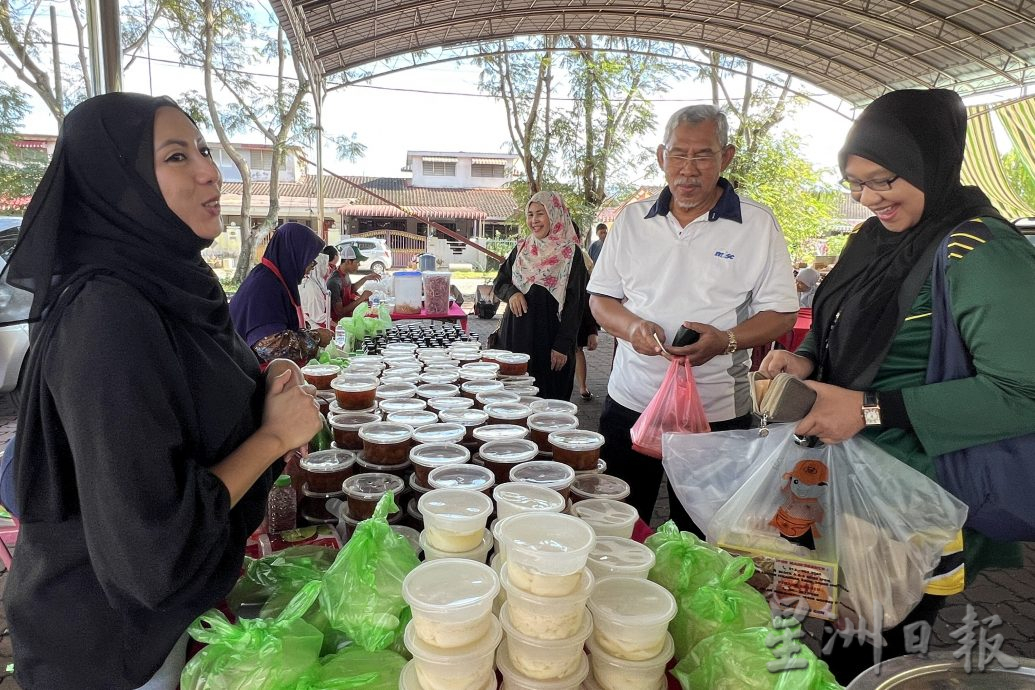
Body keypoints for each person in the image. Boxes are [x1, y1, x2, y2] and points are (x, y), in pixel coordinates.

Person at [1, 93, 322, 689]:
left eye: (202, 149)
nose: (209, 170)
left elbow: (188, 399)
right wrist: (276, 433)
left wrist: (265, 380)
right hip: (107, 648)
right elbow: (154, 549)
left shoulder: (174, 281)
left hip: (160, 624)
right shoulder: (107, 316)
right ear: (117, 185)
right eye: (176, 157)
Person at [760, 88, 1035, 683]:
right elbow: (839, 323)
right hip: (853, 485)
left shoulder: (979, 250)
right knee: (844, 625)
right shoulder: (876, 239)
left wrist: (870, 409)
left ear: (929, 161)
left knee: (873, 644)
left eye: (883, 179)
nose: (868, 198)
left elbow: (1026, 391)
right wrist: (805, 361)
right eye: (855, 183)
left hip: (916, 498)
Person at [588, 104, 798, 530]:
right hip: (632, 401)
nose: (688, 169)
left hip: (716, 413)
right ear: (661, 156)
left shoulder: (756, 224)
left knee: (704, 532)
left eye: (703, 155)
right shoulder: (632, 220)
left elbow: (781, 312)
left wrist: (727, 341)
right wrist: (633, 328)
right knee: (619, 525)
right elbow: (601, 300)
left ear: (727, 157)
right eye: (678, 155)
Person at [492, 191, 589, 401]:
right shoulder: (522, 248)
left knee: (547, 401)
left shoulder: (571, 254)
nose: (534, 221)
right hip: (515, 337)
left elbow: (576, 304)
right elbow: (499, 282)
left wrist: (562, 346)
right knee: (512, 399)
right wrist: (512, 293)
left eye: (540, 214)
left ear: (555, 214)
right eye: (530, 214)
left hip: (550, 343)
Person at [230, 222, 332, 366]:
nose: (311, 268)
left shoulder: (276, 279)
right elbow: (270, 346)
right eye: (310, 261)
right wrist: (315, 338)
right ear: (294, 255)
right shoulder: (264, 286)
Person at [328, 244, 380, 322]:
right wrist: (361, 298)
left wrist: (365, 278)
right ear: (348, 261)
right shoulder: (334, 282)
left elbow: (350, 289)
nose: (359, 265)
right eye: (357, 262)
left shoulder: (345, 274)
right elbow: (340, 312)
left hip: (348, 317)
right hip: (339, 323)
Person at [300, 247, 334, 329]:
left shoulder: (306, 282)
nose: (327, 269)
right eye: (325, 265)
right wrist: (339, 327)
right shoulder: (312, 287)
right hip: (314, 329)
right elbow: (319, 318)